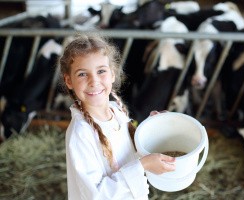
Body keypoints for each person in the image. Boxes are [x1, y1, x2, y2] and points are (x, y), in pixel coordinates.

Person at [58, 34, 176, 200]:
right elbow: (96, 195)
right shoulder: (81, 133)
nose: (94, 81)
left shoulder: (116, 111)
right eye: (82, 74)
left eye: (101, 71)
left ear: (112, 74)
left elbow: (128, 149)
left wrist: (152, 127)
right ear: (69, 81)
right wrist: (143, 166)